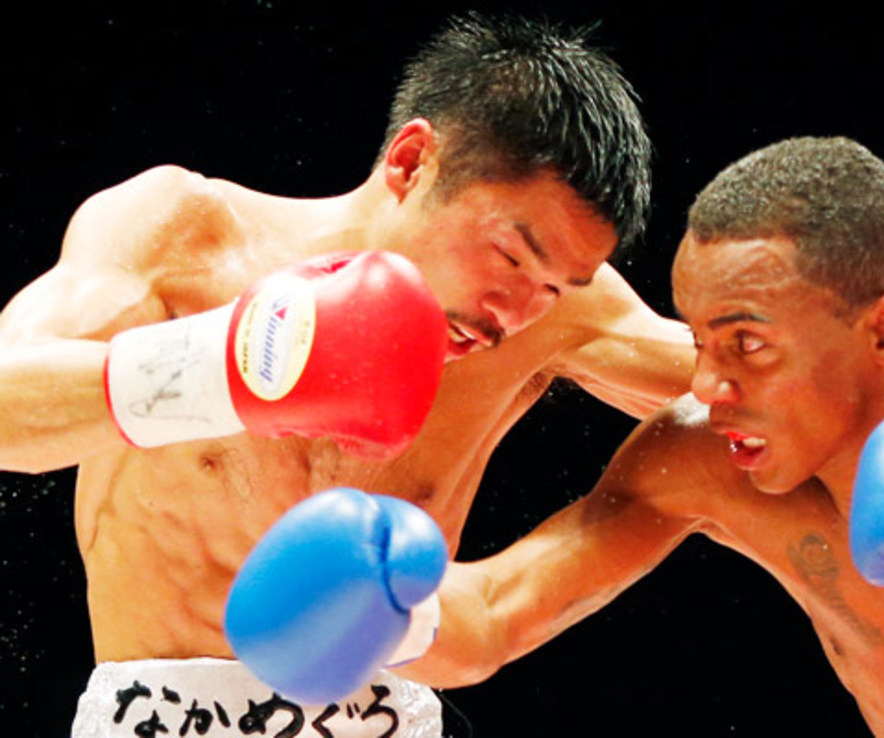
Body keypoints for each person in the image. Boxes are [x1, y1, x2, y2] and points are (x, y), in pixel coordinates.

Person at [0, 14, 693, 737]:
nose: (513, 313)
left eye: (556, 287)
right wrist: (229, 370)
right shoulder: (186, 234)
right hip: (158, 717)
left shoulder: (546, 316)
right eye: (511, 257)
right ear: (411, 161)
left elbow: (766, 394)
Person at [402, 137, 884, 736]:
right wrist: (366, 599)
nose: (707, 385)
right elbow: (496, 615)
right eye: (701, 342)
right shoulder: (703, 455)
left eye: (746, 344)